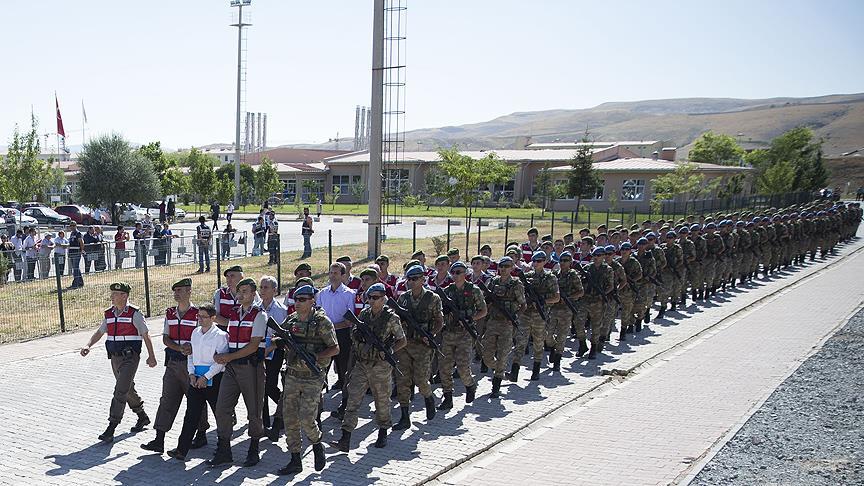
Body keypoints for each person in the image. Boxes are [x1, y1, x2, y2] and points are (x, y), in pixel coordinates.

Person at [331, 283, 406, 452]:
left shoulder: (391, 318)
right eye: (369, 298)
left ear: (384, 299)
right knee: (353, 398)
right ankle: (345, 437)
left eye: (376, 298)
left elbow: (402, 340)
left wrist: (389, 350)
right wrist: (358, 335)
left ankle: (383, 431)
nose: (372, 301)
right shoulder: (363, 314)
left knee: (382, 400)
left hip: (380, 365)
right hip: (362, 364)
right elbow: (353, 333)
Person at [80, 282, 157, 442]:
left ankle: (111, 426)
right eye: (112, 294)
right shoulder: (109, 313)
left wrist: (152, 356)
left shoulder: (135, 313)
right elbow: (100, 332)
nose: (112, 297)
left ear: (124, 296)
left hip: (130, 357)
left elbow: (146, 335)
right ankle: (142, 416)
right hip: (114, 357)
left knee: (120, 390)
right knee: (127, 389)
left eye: (115, 294)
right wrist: (88, 345)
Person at [276, 285, 340, 476]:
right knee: (290, 419)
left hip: (313, 377)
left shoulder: (322, 322)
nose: (298, 303)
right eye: (296, 300)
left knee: (306, 418)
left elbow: (335, 348)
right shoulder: (292, 320)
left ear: (313, 300)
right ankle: (295, 459)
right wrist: (272, 344)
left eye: (303, 300)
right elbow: (279, 338)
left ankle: (317, 443)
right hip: (293, 376)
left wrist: (316, 356)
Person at [141, 278, 210, 454]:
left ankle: (201, 434)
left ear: (189, 291)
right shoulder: (170, 313)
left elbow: (204, 336)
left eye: (180, 290)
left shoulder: (197, 313)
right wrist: (179, 347)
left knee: (196, 400)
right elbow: (165, 337)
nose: (176, 293)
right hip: (173, 362)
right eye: (175, 290)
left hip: (192, 364)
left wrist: (191, 348)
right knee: (167, 399)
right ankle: (159, 439)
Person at [209, 278, 267, 468]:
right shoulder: (234, 313)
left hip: (250, 367)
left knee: (254, 410)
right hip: (232, 367)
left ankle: (253, 448)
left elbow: (253, 346)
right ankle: (224, 449)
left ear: (253, 294)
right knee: (222, 408)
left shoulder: (259, 315)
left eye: (245, 291)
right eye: (239, 291)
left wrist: (228, 357)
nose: (240, 295)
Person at [166, 304, 228, 461]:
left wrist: (206, 377)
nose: (199, 319)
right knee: (191, 414)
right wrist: (191, 374)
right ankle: (181, 450)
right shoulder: (195, 333)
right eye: (198, 316)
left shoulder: (220, 336)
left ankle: (223, 451)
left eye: (203, 317)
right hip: (196, 380)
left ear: (213, 318)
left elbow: (220, 362)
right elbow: (190, 355)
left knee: (219, 414)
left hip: (214, 379)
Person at [392, 264, 444, 429]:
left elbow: (439, 321)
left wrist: (431, 335)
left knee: (421, 380)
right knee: (402, 381)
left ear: (423, 279)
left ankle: (428, 398)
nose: (412, 282)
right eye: (409, 279)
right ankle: (404, 416)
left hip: (422, 346)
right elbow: (397, 320)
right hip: (405, 345)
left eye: (415, 279)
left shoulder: (432, 298)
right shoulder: (403, 299)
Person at [438, 261, 486, 408]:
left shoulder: (473, 290)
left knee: (463, 366)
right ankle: (447, 397)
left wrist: (469, 318)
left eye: (459, 272)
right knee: (444, 367)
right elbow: (440, 311)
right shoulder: (447, 291)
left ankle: (470, 385)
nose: (455, 275)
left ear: (465, 274)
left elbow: (483, 311)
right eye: (453, 272)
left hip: (465, 333)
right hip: (449, 333)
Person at [482, 257, 526, 398]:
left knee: (502, 355)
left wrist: (514, 317)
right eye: (501, 266)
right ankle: (501, 370)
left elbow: (523, 305)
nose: (503, 269)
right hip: (493, 322)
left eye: (507, 266)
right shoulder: (493, 282)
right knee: (487, 356)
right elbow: (485, 301)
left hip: (507, 324)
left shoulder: (515, 284)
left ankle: (497, 384)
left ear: (512, 267)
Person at [513, 251, 559, 381]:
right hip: (526, 314)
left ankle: (536, 369)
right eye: (534, 261)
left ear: (544, 261)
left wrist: (541, 300)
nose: (536, 264)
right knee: (520, 342)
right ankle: (515, 371)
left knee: (538, 342)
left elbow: (556, 297)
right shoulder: (526, 277)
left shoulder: (550, 278)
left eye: (539, 261)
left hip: (540, 314)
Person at [317, 262, 356, 403]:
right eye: (331, 273)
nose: (332, 276)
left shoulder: (349, 294)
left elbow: (349, 321)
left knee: (344, 370)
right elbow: (318, 314)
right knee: (321, 369)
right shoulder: (322, 293)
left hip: (342, 336)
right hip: (324, 337)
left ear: (343, 275)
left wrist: (332, 326)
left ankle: (345, 403)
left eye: (336, 273)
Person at [258, 275, 288, 438]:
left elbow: (282, 335)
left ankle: (285, 410)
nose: (262, 290)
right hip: (258, 351)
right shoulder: (256, 307)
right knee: (260, 389)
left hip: (274, 353)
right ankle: (264, 424)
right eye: (261, 287)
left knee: (270, 386)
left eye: (266, 287)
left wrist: (269, 349)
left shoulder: (280, 310)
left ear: (275, 290)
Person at [549, 251, 583, 370]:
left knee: (562, 335)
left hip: (566, 309)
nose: (563, 263)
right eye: (561, 261)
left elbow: (580, 291)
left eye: (566, 261)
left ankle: (557, 359)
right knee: (548, 334)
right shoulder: (554, 275)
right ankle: (553, 347)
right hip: (554, 308)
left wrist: (569, 298)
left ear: (570, 262)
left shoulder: (573, 275)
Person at [67, 222, 85, 288]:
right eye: (70, 225)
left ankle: (75, 284)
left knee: (75, 268)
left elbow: (81, 242)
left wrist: (82, 250)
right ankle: (80, 282)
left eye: (73, 225)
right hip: (71, 252)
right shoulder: (72, 233)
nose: (71, 227)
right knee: (76, 268)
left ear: (75, 226)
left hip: (76, 252)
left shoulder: (78, 233)